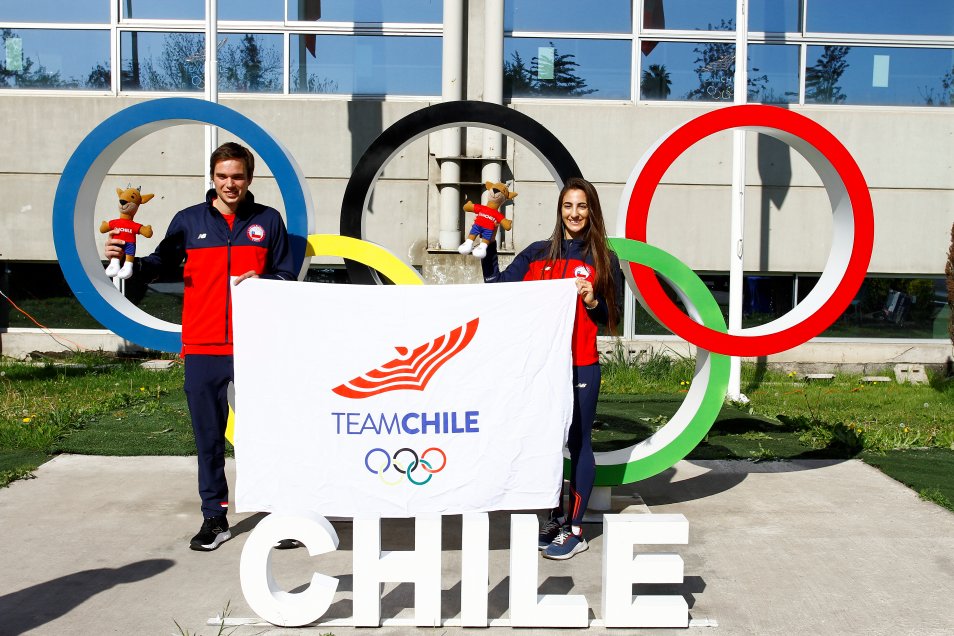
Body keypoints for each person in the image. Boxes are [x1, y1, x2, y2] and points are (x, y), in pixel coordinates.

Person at [104, 142, 296, 551]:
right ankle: (215, 517)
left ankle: (278, 514)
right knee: (208, 436)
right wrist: (128, 259)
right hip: (204, 343)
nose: (230, 184)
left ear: (249, 178)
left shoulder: (269, 220)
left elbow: (286, 274)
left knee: (265, 433)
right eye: (223, 176)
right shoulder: (189, 221)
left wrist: (265, 283)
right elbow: (159, 264)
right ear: (213, 177)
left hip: (254, 345)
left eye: (238, 176)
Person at [481, 176, 620, 561]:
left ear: (591, 210)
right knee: (546, 444)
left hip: (581, 365)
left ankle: (576, 530)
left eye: (581, 206)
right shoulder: (537, 253)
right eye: (567, 206)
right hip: (542, 368)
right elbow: (496, 287)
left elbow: (616, 317)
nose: (574, 213)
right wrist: (487, 246)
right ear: (560, 211)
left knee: (578, 443)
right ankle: (556, 516)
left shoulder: (604, 259)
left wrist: (593, 301)